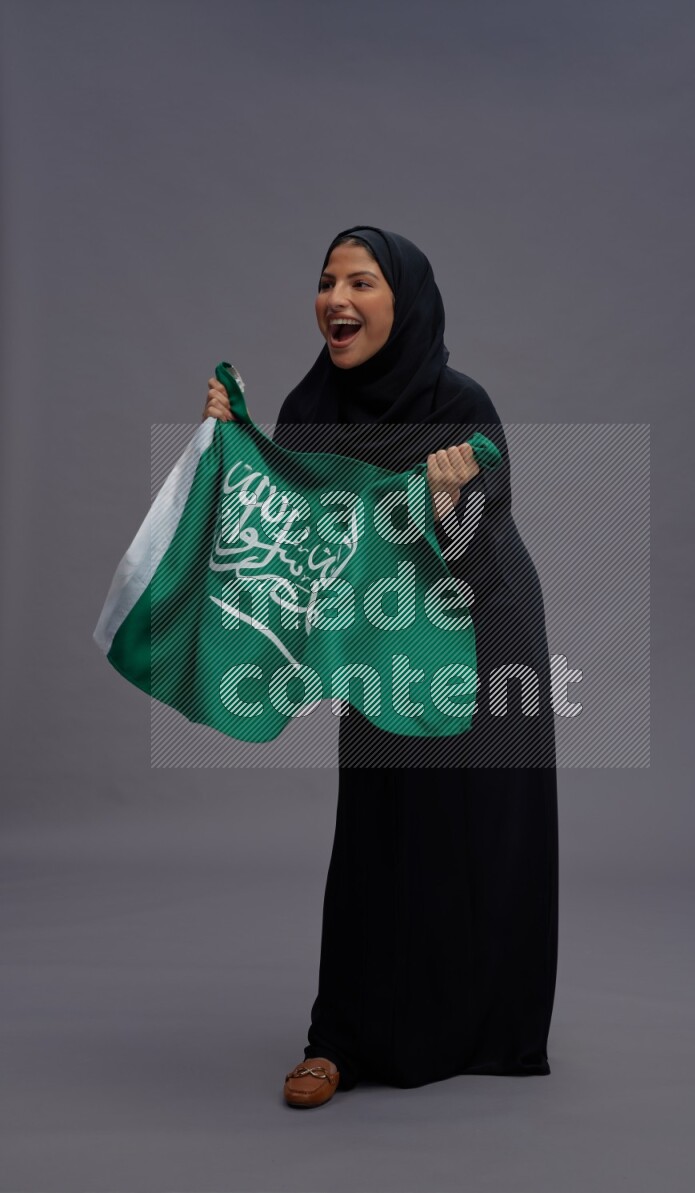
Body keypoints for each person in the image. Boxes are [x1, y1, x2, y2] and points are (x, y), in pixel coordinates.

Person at [203, 225, 559, 1110]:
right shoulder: (312, 407)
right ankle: (343, 1039)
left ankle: (479, 1029)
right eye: (326, 282)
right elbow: (280, 536)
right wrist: (232, 444)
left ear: (403, 302)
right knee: (379, 825)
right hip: (384, 638)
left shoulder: (459, 404)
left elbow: (478, 560)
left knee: (471, 830)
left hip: (482, 631)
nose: (337, 299)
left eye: (361, 281)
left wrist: (448, 507)